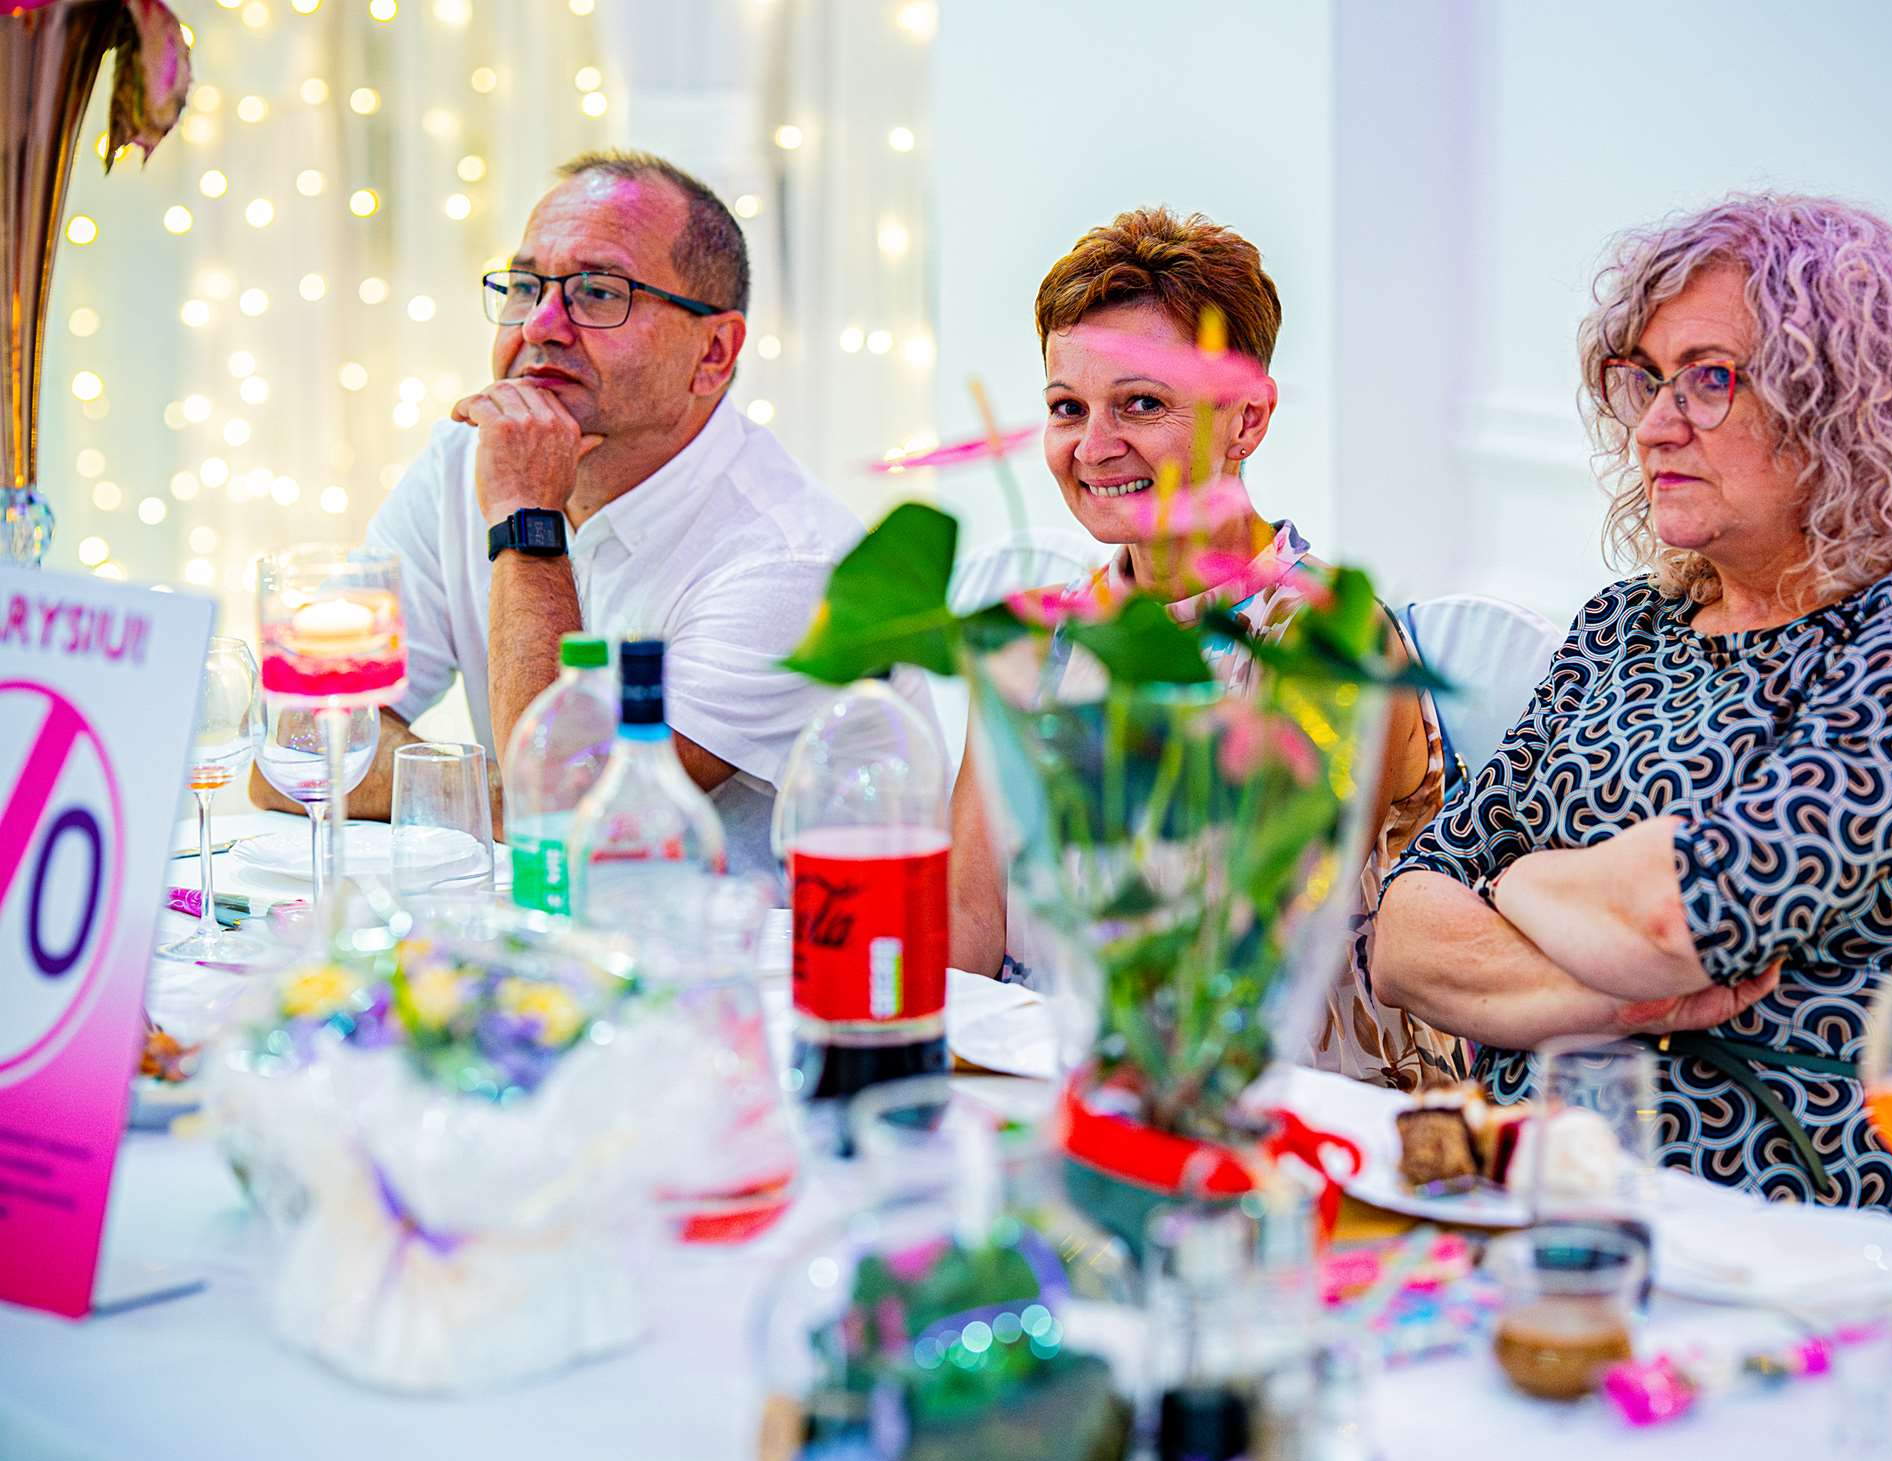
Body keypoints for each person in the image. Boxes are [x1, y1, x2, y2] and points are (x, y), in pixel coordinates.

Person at [1371, 194, 1892, 1275]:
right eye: (1647, 380)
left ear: (1843, 403)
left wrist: (1520, 882)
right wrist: (1625, 998)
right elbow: (1404, 938)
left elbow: (1686, 910)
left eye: (1708, 377)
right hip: (1542, 1217)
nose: (1654, 425)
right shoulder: (1625, 627)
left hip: (1828, 1255)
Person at [946, 205, 1463, 1090]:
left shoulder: (1331, 644)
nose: (1094, 446)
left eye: (1141, 404)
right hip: (1064, 1094)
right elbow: (965, 920)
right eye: (1068, 408)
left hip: (1302, 1121)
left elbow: (1242, 962)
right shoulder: (1036, 639)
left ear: (1246, 421)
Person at [250, 150, 872, 877]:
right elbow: (293, 745)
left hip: (739, 945)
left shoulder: (795, 562)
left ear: (713, 351)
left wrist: (526, 518)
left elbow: (562, 811)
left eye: (599, 293)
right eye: (524, 286)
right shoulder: (463, 460)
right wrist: (485, 793)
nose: (542, 324)